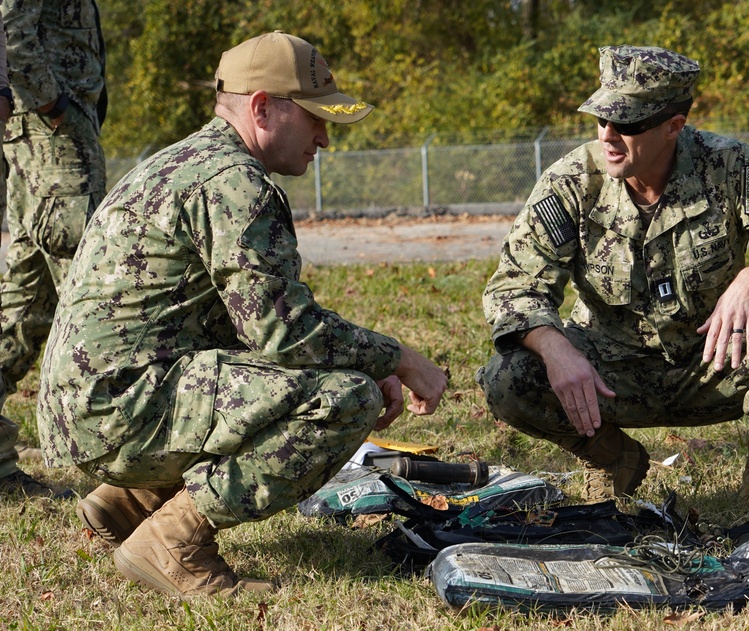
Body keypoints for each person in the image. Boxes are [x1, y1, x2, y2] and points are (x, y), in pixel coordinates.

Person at [36, 31, 449, 597]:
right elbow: (287, 332)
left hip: (84, 405)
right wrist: (397, 359)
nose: (325, 138)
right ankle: (174, 540)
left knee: (307, 377)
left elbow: (244, 326)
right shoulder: (235, 184)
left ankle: (129, 500)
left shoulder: (177, 162)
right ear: (262, 108)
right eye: (315, 119)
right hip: (117, 410)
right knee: (345, 397)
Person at [476, 45, 749, 522]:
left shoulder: (730, 166)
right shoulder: (571, 181)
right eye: (601, 120)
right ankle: (613, 460)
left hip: (714, 361)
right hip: (608, 376)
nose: (608, 136)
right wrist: (555, 348)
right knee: (509, 376)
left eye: (627, 124)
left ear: (674, 126)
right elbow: (513, 288)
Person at [0, 0, 107, 497]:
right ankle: (117, 459)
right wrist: (52, 104)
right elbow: (11, 26)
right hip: (54, 135)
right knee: (94, 298)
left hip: (51, 132)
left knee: (26, 303)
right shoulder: (54, 116)